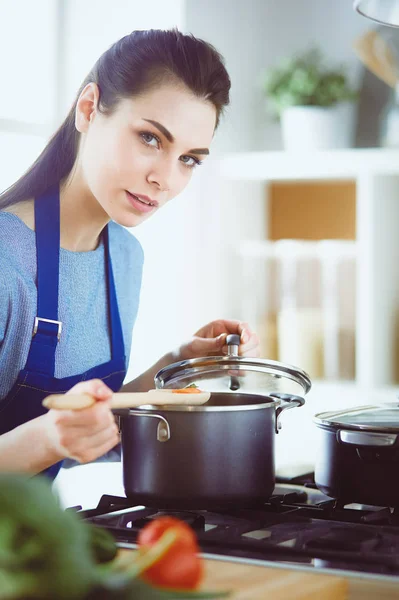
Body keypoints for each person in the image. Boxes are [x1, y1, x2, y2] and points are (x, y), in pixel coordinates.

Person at [0, 28, 259, 478]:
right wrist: (47, 437)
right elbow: (52, 439)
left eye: (189, 159)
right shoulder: (7, 264)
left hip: (37, 542)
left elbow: (93, 434)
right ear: (88, 109)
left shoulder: (124, 257)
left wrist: (175, 367)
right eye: (151, 138)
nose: (166, 179)